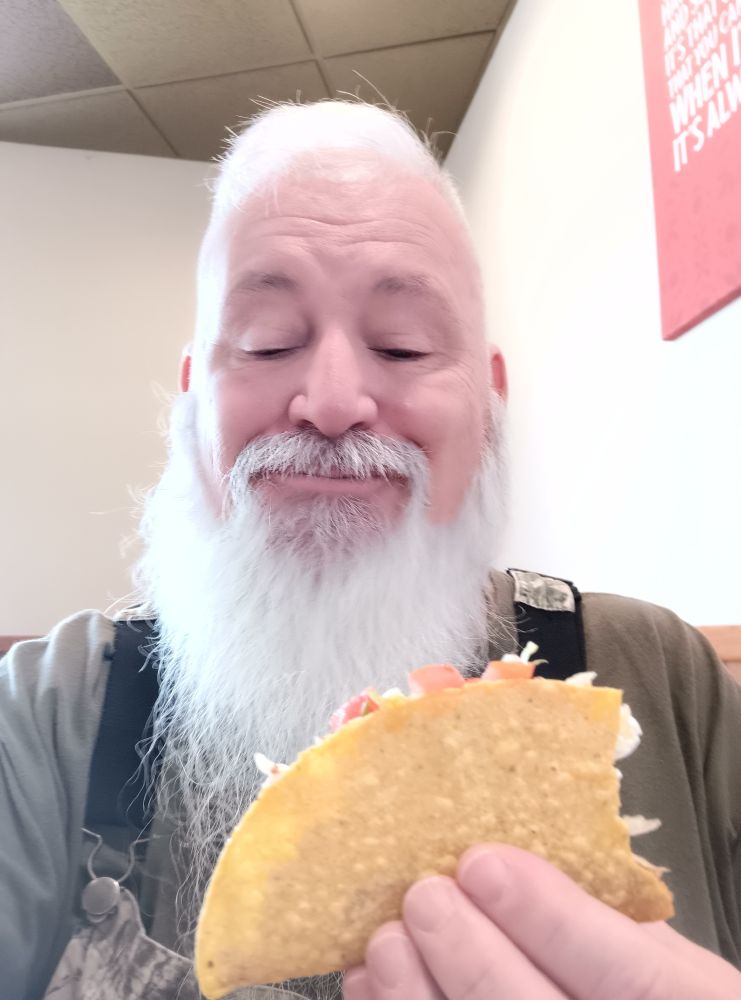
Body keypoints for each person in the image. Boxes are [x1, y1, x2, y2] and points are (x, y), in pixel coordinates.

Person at [0, 100, 739, 1000]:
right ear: (193, 401)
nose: (334, 400)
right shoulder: (47, 717)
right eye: (268, 342)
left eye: (402, 344)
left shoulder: (660, 680)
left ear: (488, 402)